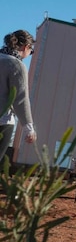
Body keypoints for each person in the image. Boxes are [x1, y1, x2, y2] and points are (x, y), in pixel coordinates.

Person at [0, 30, 37, 162]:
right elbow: (20, 99)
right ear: (25, 47)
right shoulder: (17, 65)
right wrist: (29, 128)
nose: (30, 54)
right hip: (3, 122)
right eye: (31, 50)